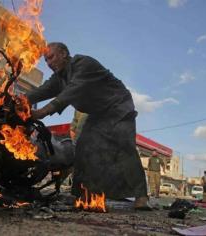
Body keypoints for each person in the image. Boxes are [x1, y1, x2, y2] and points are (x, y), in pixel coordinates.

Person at [26, 42, 150, 210]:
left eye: (51, 57)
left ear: (63, 53)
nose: (48, 63)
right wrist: (16, 100)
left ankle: (141, 196)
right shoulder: (59, 77)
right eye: (46, 60)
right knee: (83, 147)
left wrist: (42, 112)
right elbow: (42, 91)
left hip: (118, 106)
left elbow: (71, 92)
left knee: (123, 146)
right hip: (98, 113)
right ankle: (80, 194)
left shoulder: (83, 64)